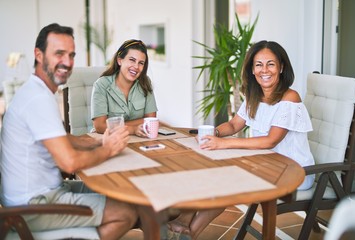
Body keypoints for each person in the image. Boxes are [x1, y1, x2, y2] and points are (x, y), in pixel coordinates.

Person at [0, 23, 139, 240]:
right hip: (33, 205)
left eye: (71, 55)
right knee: (126, 211)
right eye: (59, 54)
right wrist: (109, 149)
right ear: (38, 55)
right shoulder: (38, 98)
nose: (67, 62)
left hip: (41, 193)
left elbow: (62, 139)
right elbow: (70, 163)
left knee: (122, 192)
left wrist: (97, 143)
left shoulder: (35, 90)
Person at [167, 40, 315, 239]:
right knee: (215, 171)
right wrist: (214, 134)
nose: (265, 70)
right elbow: (234, 125)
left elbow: (271, 141)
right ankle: (185, 226)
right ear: (252, 70)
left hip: (294, 172)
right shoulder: (254, 95)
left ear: (281, 67)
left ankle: (186, 231)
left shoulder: (290, 98)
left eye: (271, 64)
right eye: (259, 64)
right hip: (266, 164)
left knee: (226, 181)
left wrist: (224, 144)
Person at [91, 39, 158, 137]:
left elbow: (151, 120)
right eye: (132, 60)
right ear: (119, 60)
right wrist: (132, 129)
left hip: (139, 139)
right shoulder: (101, 85)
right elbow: (100, 126)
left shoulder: (145, 83)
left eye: (141, 63)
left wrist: (113, 125)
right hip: (107, 139)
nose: (136, 66)